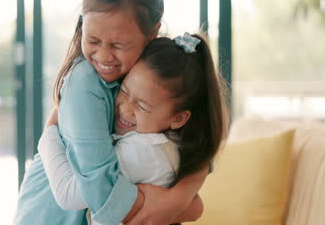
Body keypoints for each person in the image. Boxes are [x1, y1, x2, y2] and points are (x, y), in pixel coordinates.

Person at [13, 0, 227, 224]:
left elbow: (192, 148)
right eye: (92, 40)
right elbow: (104, 194)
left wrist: (181, 197)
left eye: (118, 45)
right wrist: (180, 205)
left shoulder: (148, 72)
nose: (103, 56)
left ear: (152, 34)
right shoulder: (86, 81)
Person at [38, 34, 229, 225]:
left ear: (178, 118)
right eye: (124, 91)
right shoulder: (171, 144)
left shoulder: (141, 152)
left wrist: (49, 134)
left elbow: (67, 194)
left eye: (143, 106)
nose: (125, 108)